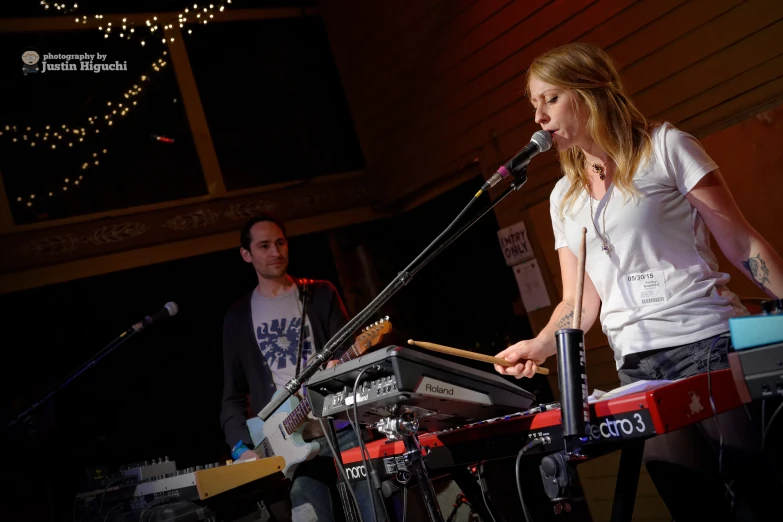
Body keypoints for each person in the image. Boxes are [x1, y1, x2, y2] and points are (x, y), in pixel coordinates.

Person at [494, 42, 783, 521]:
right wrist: (540, 345)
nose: (539, 117)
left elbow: (741, 242)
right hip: (638, 368)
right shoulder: (564, 196)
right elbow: (578, 302)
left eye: (550, 99)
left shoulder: (667, 146)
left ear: (589, 93)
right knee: (690, 503)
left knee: (757, 497)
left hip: (707, 345)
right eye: (533, 104)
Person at [220, 213, 381, 522]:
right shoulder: (237, 317)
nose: (275, 252)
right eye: (264, 245)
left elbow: (349, 354)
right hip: (286, 441)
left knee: (371, 512)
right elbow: (231, 395)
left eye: (280, 243)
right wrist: (241, 446)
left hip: (340, 427)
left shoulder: (319, 294)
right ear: (246, 254)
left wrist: (340, 365)